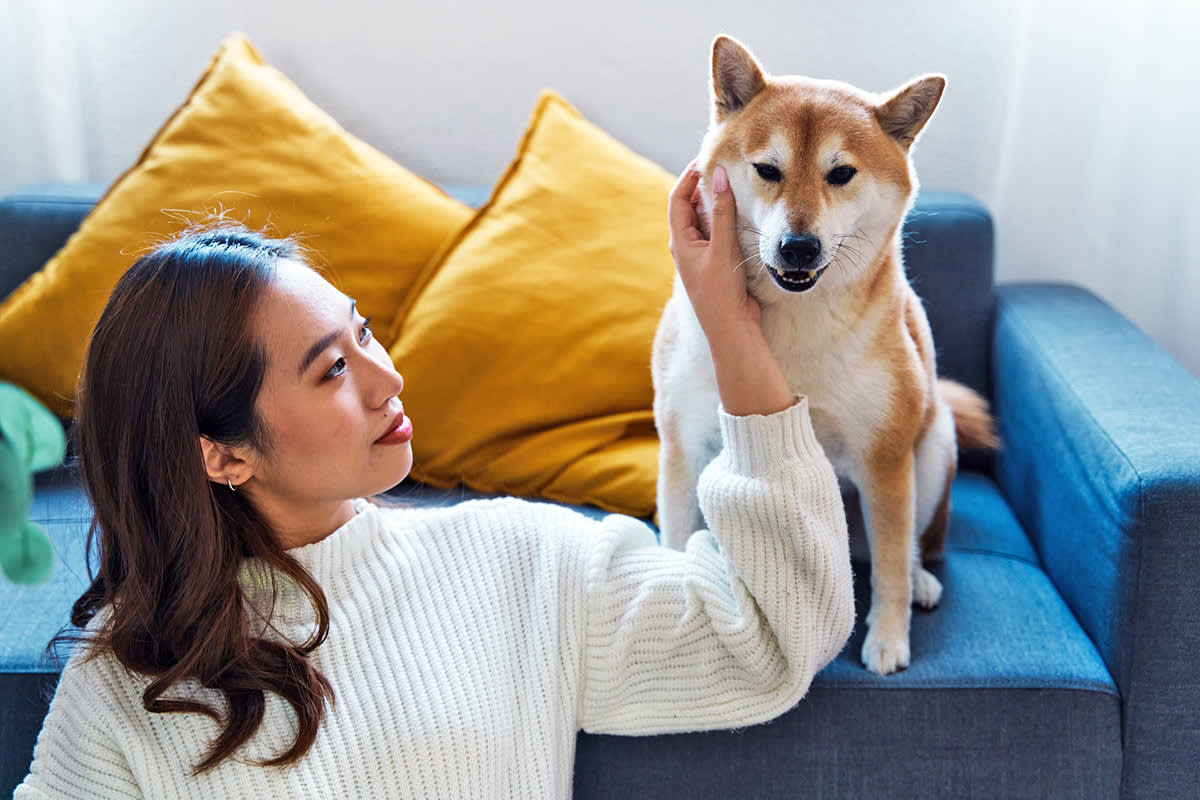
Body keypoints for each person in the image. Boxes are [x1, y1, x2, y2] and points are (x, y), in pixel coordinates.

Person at [15, 164, 855, 798]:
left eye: (365, 333)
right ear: (224, 455)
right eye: (333, 369)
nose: (387, 381)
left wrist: (731, 328)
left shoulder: (519, 562)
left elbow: (775, 635)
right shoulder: (125, 683)